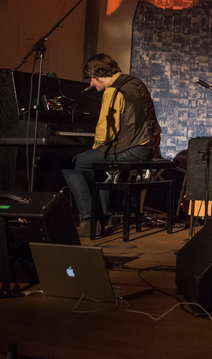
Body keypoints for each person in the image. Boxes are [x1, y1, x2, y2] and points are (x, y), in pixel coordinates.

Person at [63, 54, 162, 236]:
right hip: (147, 147)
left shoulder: (113, 91)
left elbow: (105, 132)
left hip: (131, 149)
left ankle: (88, 220)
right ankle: (102, 218)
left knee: (73, 166)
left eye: (92, 78)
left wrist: (94, 149)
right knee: (94, 166)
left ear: (100, 74)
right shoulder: (135, 82)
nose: (91, 84)